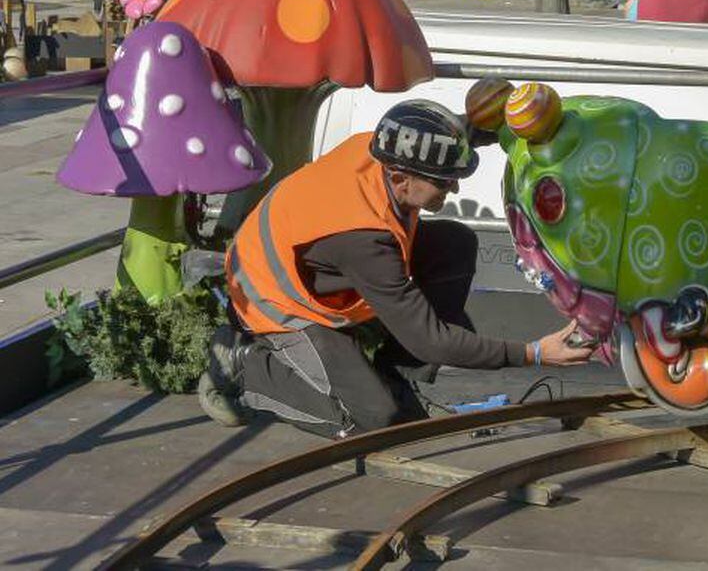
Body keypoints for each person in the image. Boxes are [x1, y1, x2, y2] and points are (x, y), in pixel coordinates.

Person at [199, 100, 593, 436]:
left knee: (455, 244)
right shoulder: (363, 240)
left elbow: (448, 137)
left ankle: (398, 381)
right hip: (274, 302)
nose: (453, 189)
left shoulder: (386, 148)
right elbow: (431, 340)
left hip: (316, 268)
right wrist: (534, 353)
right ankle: (243, 364)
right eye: (444, 182)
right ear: (402, 180)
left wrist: (505, 119)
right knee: (373, 421)